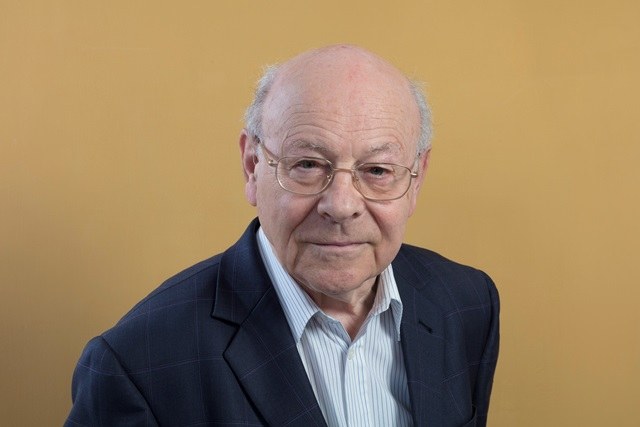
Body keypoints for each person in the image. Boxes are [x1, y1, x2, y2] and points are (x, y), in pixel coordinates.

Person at [66, 45, 499, 427]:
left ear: (417, 177)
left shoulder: (467, 304)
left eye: (377, 170)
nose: (341, 205)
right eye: (307, 165)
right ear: (252, 166)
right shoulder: (138, 365)